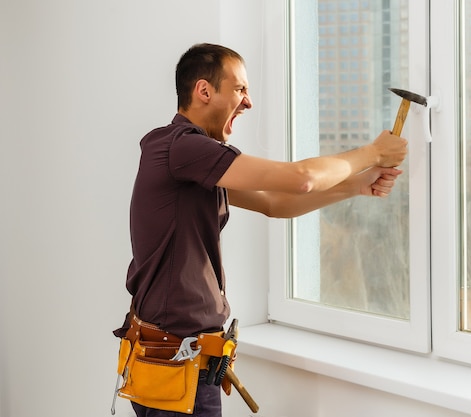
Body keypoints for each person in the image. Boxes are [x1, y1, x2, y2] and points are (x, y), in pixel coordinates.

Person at [114, 43, 407, 417]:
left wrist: (357, 185)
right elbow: (300, 179)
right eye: (239, 89)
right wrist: (373, 153)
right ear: (204, 91)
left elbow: (274, 202)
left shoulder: (188, 158)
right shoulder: (182, 148)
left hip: (180, 360)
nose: (248, 102)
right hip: (175, 363)